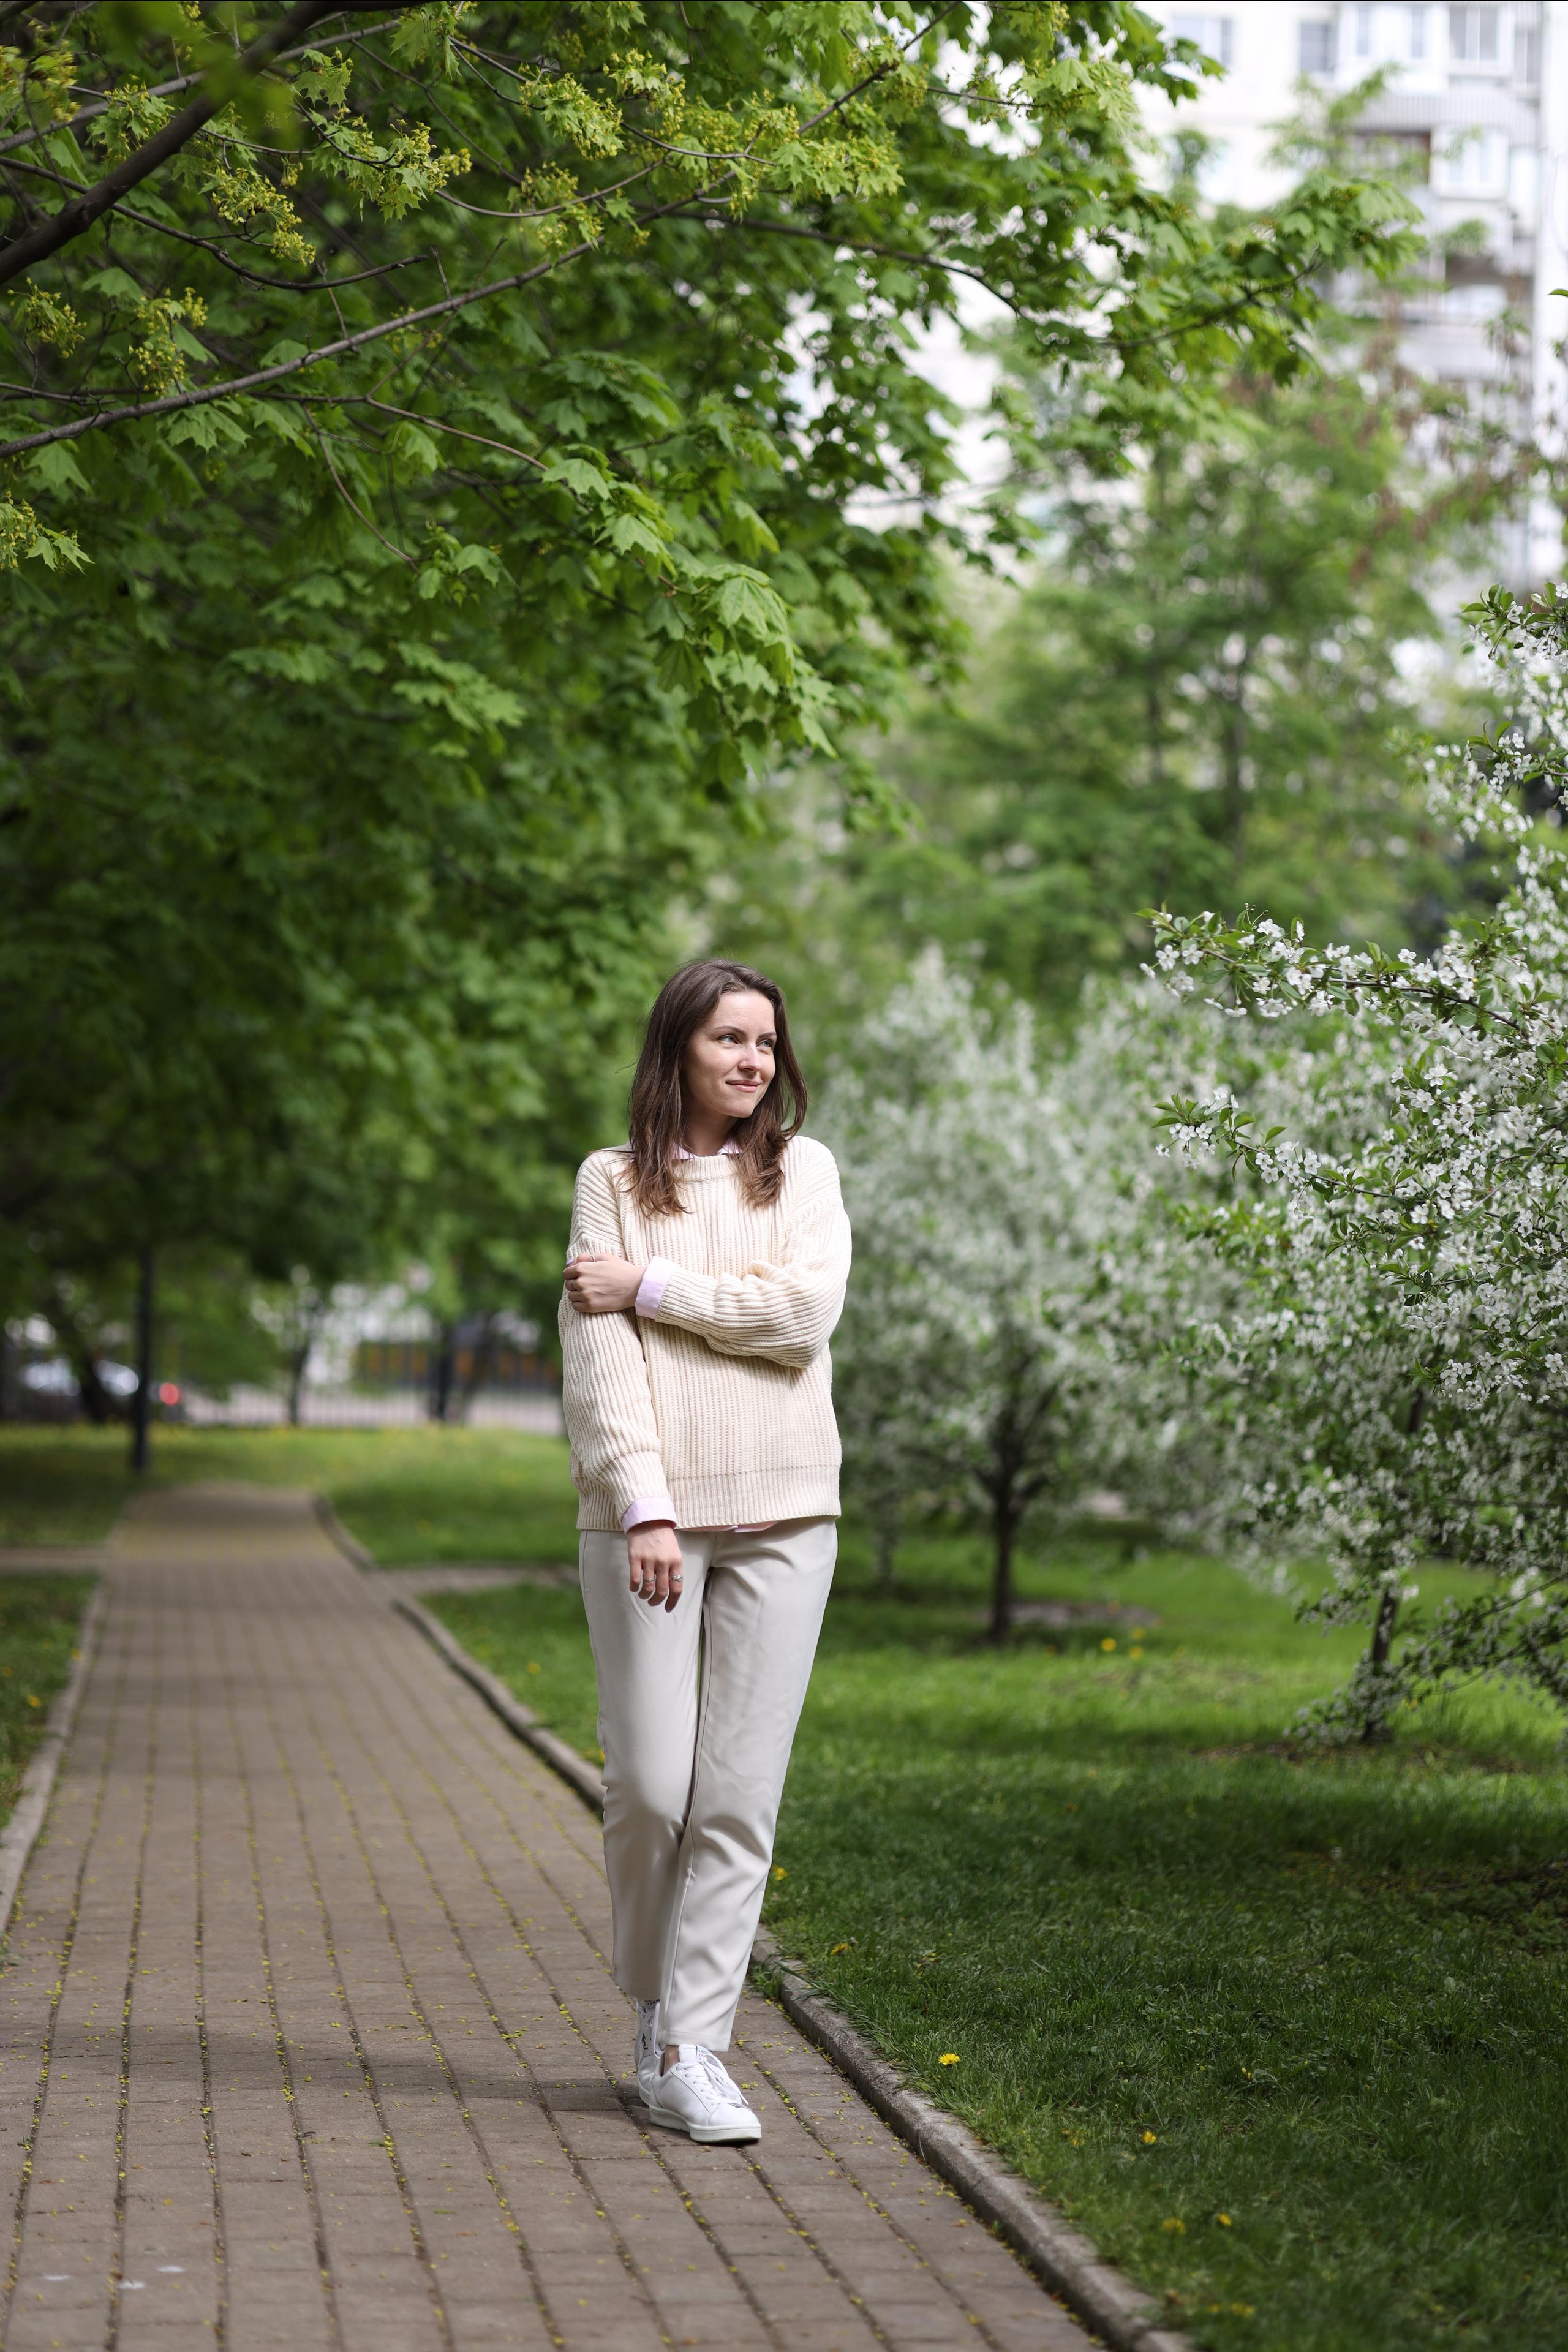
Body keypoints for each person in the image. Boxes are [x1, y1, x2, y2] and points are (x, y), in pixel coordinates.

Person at [559, 958, 851, 2145]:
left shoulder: (805, 1173)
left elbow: (799, 1320)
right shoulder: (610, 1182)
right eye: (727, 1039)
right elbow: (601, 1366)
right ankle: (651, 2000)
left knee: (735, 1799)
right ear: (675, 1046)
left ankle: (691, 2047)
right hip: (653, 1527)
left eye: (765, 1045)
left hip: (788, 1514)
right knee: (649, 1790)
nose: (749, 1062)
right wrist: (645, 1508)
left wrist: (655, 1284)